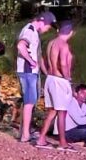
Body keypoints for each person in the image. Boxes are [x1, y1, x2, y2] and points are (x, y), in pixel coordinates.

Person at [15, 11, 56, 142]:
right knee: (29, 102)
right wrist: (31, 61)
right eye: (48, 26)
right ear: (42, 22)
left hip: (31, 72)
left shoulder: (34, 33)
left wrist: (46, 72)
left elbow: (39, 56)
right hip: (27, 72)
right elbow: (21, 45)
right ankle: (25, 135)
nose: (48, 29)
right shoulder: (30, 30)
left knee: (30, 102)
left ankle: (26, 131)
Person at [36, 21, 76, 151]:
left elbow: (45, 60)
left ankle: (41, 139)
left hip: (50, 79)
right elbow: (63, 64)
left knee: (52, 111)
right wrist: (67, 78)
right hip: (60, 80)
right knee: (62, 112)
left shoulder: (51, 43)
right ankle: (62, 143)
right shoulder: (63, 45)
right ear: (71, 32)